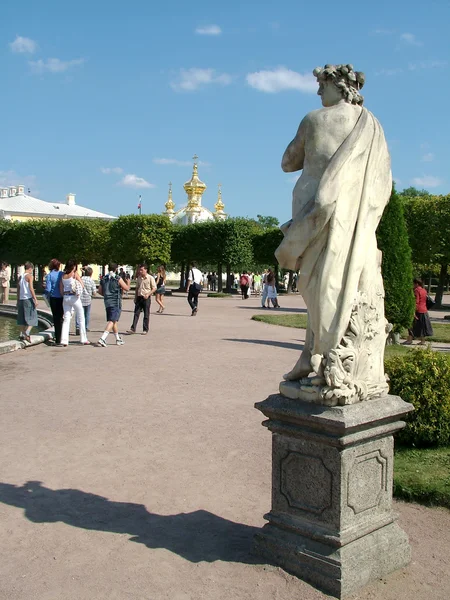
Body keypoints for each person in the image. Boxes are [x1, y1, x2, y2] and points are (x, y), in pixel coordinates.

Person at [275, 63, 391, 402]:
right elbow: (381, 182)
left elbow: (287, 162)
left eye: (321, 85)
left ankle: (327, 362)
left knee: (318, 287)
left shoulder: (313, 120)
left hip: (315, 211)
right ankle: (319, 358)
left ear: (339, 87)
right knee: (341, 287)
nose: (317, 92)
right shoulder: (372, 126)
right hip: (355, 220)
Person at [97, 263, 130, 346]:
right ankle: (103, 338)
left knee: (113, 320)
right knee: (112, 320)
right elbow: (126, 288)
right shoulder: (117, 278)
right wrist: (128, 282)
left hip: (107, 301)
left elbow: (100, 291)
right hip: (115, 301)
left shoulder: (104, 278)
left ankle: (118, 339)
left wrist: (107, 295)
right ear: (116, 269)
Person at [60, 260, 89, 347]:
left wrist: (64, 295)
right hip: (75, 298)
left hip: (66, 298)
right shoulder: (74, 274)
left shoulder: (63, 275)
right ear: (74, 266)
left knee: (66, 319)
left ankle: (64, 340)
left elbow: (61, 288)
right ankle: (83, 339)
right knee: (81, 317)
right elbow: (82, 284)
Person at [128, 264, 156, 333]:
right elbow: (137, 288)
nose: (140, 271)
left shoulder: (150, 278)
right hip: (139, 297)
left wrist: (148, 294)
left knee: (146, 314)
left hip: (146, 298)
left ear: (146, 270)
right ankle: (133, 328)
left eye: (142, 270)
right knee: (136, 313)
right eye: (140, 270)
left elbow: (154, 288)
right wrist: (135, 297)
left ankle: (145, 329)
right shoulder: (139, 278)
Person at [405, 279, 434, 345]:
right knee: (422, 326)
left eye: (413, 283)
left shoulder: (416, 291)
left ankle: (410, 340)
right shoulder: (424, 290)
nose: (413, 285)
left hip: (418, 310)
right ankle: (422, 341)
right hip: (424, 310)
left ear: (416, 283)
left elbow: (416, 302)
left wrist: (413, 311)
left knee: (411, 325)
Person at [16, 261, 38, 343]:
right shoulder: (29, 276)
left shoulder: (20, 277)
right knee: (33, 317)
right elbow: (31, 288)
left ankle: (22, 334)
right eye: (32, 269)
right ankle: (27, 332)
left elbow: (18, 289)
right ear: (30, 268)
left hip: (21, 299)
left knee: (21, 318)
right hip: (28, 299)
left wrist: (17, 300)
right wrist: (35, 299)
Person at [45, 258, 64, 344]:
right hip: (62, 297)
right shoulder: (62, 274)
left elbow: (48, 289)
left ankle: (58, 339)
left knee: (56, 318)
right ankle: (62, 336)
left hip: (53, 298)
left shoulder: (49, 276)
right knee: (61, 317)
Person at [76, 266, 97, 333]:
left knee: (78, 313)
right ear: (91, 273)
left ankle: (78, 326)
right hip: (88, 299)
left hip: (80, 299)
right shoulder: (91, 281)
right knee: (86, 314)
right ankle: (85, 327)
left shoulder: (80, 279)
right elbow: (94, 293)